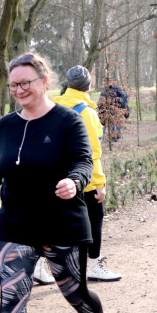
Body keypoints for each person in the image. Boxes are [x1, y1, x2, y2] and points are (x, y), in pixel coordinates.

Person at [0, 52, 118, 313]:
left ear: (44, 83)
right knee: (12, 298)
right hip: (15, 225)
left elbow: (83, 160)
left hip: (61, 223)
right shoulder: (6, 125)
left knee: (76, 295)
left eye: (26, 82)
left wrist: (75, 181)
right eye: (14, 84)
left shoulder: (67, 121)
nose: (19, 89)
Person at [51, 66, 121, 282]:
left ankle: (40, 266)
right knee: (94, 218)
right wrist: (99, 183)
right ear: (89, 86)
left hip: (58, 177)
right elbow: (92, 153)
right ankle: (93, 265)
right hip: (83, 179)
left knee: (56, 223)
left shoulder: (55, 107)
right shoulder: (86, 112)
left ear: (69, 84)